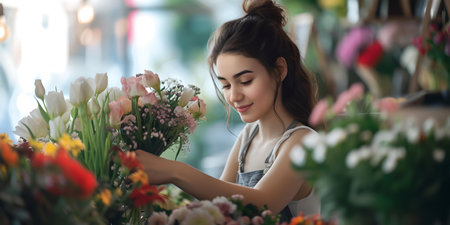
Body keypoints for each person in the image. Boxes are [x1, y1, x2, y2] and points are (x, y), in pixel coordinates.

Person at [136, 0, 320, 222]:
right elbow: (221, 207)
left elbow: (264, 202)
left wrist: (175, 172)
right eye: (225, 85)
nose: (234, 96)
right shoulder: (248, 136)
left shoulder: (303, 141)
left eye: (245, 80)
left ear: (279, 70)